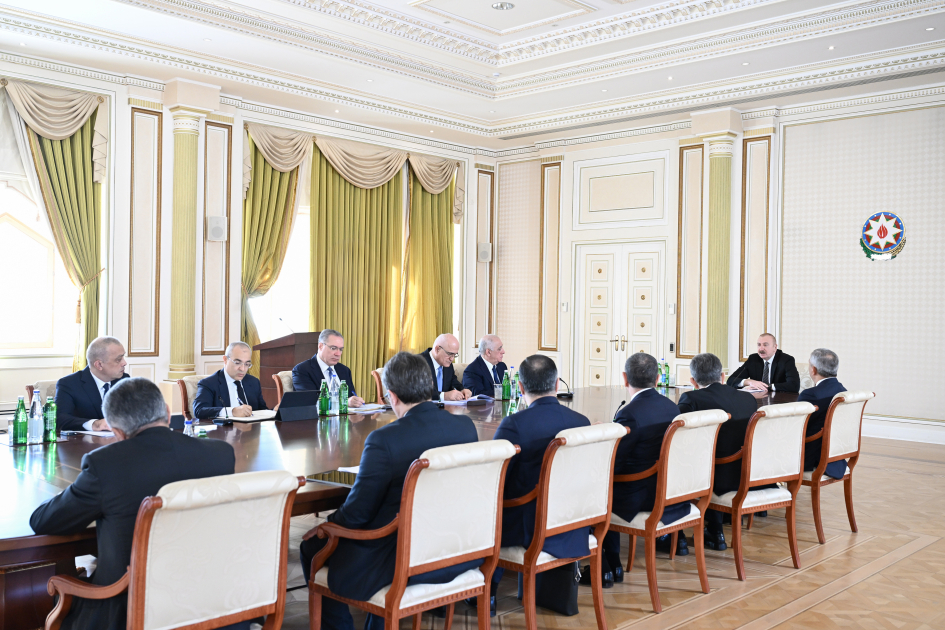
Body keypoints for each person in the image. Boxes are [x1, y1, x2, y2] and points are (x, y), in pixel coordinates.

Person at [30, 378, 237, 630]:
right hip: (214, 605)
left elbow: (44, 521)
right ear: (167, 412)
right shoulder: (220, 454)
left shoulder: (105, 464)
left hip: (128, 613)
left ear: (116, 431)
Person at [300, 352, 479, 630]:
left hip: (399, 556)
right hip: (455, 547)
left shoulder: (384, 440)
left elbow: (357, 514)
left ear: (392, 396)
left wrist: (327, 525)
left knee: (313, 545)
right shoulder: (465, 427)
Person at [485, 355, 590, 610]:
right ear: (557, 385)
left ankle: (487, 590)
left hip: (530, 526)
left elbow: (494, 481)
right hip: (573, 520)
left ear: (520, 387)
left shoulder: (514, 424)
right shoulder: (582, 422)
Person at [598, 353, 688, 585]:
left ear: (625, 378)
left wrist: (603, 438)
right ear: (657, 378)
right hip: (668, 490)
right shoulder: (672, 408)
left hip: (639, 497)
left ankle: (610, 563)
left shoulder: (629, 413)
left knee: (598, 487)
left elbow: (614, 464)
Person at [678, 353, 758, 551]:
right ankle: (715, 527)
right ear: (722, 376)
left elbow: (679, 441)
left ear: (693, 382)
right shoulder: (748, 399)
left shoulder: (691, 399)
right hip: (747, 473)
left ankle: (676, 533)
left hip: (711, 477)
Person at [55, 336, 130, 432]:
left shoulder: (124, 380)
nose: (124, 363)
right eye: (118, 360)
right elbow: (59, 419)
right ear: (99, 365)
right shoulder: (69, 384)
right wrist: (94, 424)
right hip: (84, 440)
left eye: (123, 357)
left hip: (120, 439)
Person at [798, 348, 849, 479]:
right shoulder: (843, 391)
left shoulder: (810, 395)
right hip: (836, 456)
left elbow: (796, 426)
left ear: (813, 370)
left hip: (812, 457)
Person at [193, 341, 269, 420]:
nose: (242, 369)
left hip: (251, 427)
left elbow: (262, 410)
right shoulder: (209, 383)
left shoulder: (253, 382)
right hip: (224, 427)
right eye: (237, 363)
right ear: (225, 360)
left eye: (247, 364)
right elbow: (199, 411)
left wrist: (274, 411)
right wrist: (232, 411)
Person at [291, 329, 364, 408]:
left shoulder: (344, 370)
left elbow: (351, 396)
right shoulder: (302, 370)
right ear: (320, 346)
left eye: (341, 349)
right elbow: (309, 402)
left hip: (347, 415)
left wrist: (356, 401)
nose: (338, 354)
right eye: (333, 348)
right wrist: (344, 402)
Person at [726, 333, 800, 393]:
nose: (761, 349)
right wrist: (749, 382)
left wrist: (768, 386)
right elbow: (731, 380)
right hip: (757, 400)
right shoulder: (753, 359)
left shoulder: (786, 360)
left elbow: (794, 385)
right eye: (759, 345)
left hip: (779, 401)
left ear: (775, 347)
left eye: (765, 345)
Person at [418, 333, 471, 401]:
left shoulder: (448, 364)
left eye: (454, 355)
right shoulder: (417, 363)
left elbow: (454, 382)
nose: (452, 359)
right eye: (450, 354)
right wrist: (443, 396)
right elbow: (419, 390)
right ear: (437, 349)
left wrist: (463, 390)